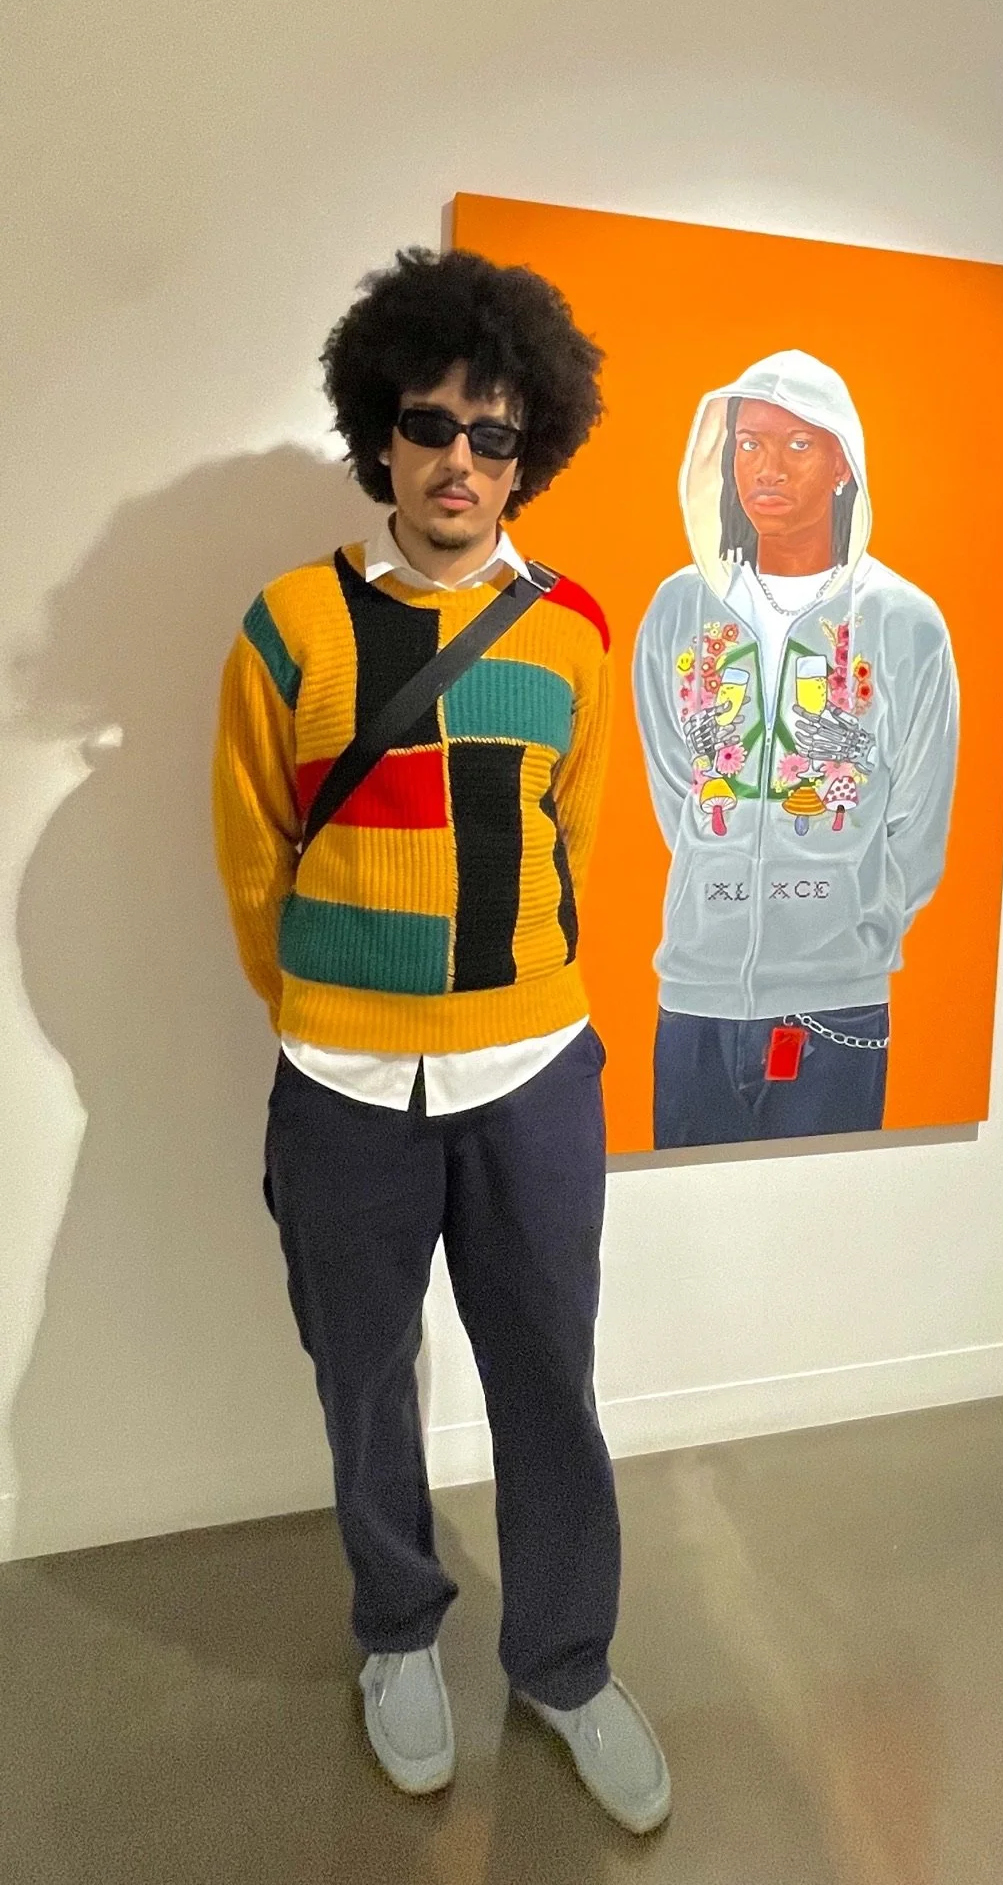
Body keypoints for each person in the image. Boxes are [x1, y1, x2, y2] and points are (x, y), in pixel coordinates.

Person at [212, 247, 669, 1832]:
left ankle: (565, 1662)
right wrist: (330, 1010)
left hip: (531, 1072)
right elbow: (255, 860)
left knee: (550, 1378)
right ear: (380, 433)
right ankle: (397, 1633)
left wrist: (506, 1001)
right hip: (340, 1080)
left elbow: (576, 845)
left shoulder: (573, 633)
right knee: (362, 1377)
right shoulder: (290, 627)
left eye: (493, 433)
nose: (459, 459)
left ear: (528, 452)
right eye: (429, 425)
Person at [633, 350, 959, 1150]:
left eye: (798, 444)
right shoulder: (680, 609)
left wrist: (854, 928)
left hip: (836, 1004)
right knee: (691, 1208)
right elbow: (678, 790)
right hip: (696, 996)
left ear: (844, 464)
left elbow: (920, 818)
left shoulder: (903, 622)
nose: (767, 467)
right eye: (749, 443)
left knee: (824, 1212)